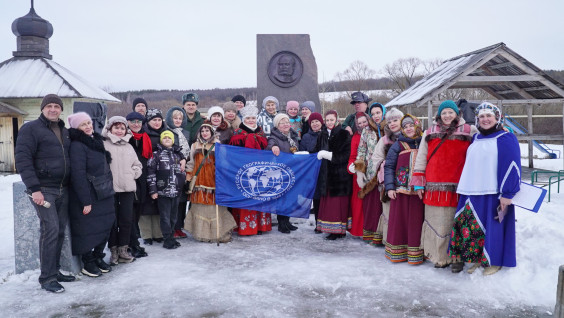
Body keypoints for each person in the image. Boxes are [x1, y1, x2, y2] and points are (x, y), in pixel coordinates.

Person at [449, 102, 521, 275]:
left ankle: (494, 261)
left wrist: (507, 193)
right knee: (473, 226)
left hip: (492, 192)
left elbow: (512, 166)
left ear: (497, 118)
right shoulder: (476, 138)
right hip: (470, 190)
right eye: (481, 116)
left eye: (489, 115)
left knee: (492, 227)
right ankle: (478, 259)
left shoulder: (506, 138)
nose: (485, 119)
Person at [15, 94, 75, 293]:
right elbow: (23, 159)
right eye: (48, 106)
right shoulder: (31, 129)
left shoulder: (64, 131)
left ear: (61, 110)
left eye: (56, 106)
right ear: (42, 109)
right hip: (44, 189)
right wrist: (35, 189)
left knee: (58, 231)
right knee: (50, 230)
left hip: (63, 188)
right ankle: (47, 278)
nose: (52, 109)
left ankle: (54, 270)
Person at [410, 100, 477, 268]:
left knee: (456, 223)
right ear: (439, 115)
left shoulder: (470, 130)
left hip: (459, 186)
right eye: (444, 113)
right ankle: (439, 257)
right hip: (433, 187)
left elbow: (486, 141)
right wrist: (419, 182)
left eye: (450, 112)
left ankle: (456, 258)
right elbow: (421, 158)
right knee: (437, 223)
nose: (447, 116)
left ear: (457, 113)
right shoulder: (430, 132)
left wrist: (505, 130)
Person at [67, 112, 115, 277]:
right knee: (89, 228)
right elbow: (78, 175)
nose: (88, 126)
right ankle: (88, 261)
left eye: (89, 123)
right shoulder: (77, 145)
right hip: (89, 193)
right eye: (83, 124)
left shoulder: (95, 140)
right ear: (76, 128)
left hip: (104, 191)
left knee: (105, 225)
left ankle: (98, 256)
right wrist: (85, 200)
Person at [184, 124, 237, 242]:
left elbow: (224, 163)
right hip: (198, 183)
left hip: (213, 182)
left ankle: (217, 234)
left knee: (215, 210)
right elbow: (191, 163)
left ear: (211, 132)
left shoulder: (218, 145)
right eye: (202, 131)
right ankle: (203, 234)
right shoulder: (194, 145)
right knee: (200, 209)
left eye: (207, 130)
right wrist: (188, 177)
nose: (204, 133)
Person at [384, 114, 424, 265]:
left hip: (419, 191)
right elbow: (389, 166)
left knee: (416, 221)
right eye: (405, 126)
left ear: (417, 125)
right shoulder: (398, 145)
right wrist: (390, 187)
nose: (408, 129)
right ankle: (398, 253)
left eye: (411, 125)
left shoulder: (424, 143)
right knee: (400, 221)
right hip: (400, 191)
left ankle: (416, 253)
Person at [103, 116, 143, 265]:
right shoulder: (104, 145)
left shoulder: (128, 146)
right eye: (116, 127)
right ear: (110, 129)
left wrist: (133, 173)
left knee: (126, 219)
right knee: (112, 221)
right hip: (110, 189)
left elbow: (137, 165)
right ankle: (113, 250)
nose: (119, 131)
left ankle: (123, 249)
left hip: (127, 188)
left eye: (122, 128)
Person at [228, 105, 272, 235]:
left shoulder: (260, 132)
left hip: (261, 171)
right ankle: (246, 226)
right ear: (244, 119)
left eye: (253, 118)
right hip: (244, 171)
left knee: (260, 196)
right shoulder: (238, 133)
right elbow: (233, 153)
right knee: (246, 197)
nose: (251, 120)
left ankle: (260, 226)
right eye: (248, 118)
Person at [367, 107, 404, 246]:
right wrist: (386, 165)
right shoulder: (384, 140)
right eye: (390, 121)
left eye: (396, 120)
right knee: (389, 212)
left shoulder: (412, 137)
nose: (393, 123)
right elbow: (376, 159)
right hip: (388, 181)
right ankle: (390, 241)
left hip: (406, 184)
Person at [352, 102, 387, 244]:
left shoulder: (389, 127)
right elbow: (361, 150)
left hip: (387, 171)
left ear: (383, 112)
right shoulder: (367, 130)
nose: (376, 116)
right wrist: (360, 171)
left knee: (384, 205)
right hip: (371, 172)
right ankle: (372, 235)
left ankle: (385, 235)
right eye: (373, 114)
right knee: (372, 205)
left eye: (378, 113)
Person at [314, 110, 352, 240]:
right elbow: (316, 151)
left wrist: (330, 156)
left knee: (338, 205)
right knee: (330, 205)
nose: (329, 122)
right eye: (327, 120)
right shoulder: (322, 135)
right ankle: (332, 230)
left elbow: (346, 155)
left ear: (337, 120)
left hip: (340, 176)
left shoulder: (344, 134)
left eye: (332, 120)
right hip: (326, 175)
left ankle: (339, 231)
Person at [147, 131, 186, 249]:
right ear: (161, 140)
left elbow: (183, 171)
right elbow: (150, 173)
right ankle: (167, 239)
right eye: (165, 137)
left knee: (174, 216)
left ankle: (172, 236)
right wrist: (153, 190)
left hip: (176, 191)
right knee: (165, 216)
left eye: (170, 137)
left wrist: (182, 183)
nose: (167, 139)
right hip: (162, 191)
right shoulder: (156, 155)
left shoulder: (178, 155)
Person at [267, 113, 300, 234]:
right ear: (277, 125)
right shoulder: (274, 137)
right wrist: (273, 147)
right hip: (280, 172)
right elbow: (270, 144)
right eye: (282, 122)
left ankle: (287, 221)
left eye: (287, 122)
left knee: (291, 197)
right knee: (282, 198)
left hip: (293, 170)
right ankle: (282, 223)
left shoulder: (293, 136)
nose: (286, 124)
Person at [139, 109, 167, 245]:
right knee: (146, 204)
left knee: (158, 204)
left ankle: (157, 233)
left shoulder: (166, 134)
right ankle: (146, 234)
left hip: (162, 172)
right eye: (153, 120)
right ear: (148, 121)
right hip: (145, 171)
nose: (157, 122)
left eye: (159, 120)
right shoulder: (142, 134)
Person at [126, 111, 151, 257]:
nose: (136, 124)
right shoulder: (125, 138)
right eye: (133, 121)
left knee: (138, 211)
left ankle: (133, 242)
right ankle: (131, 244)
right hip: (128, 179)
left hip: (142, 178)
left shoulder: (144, 138)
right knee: (129, 214)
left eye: (139, 122)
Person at [165, 106, 191, 239]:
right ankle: (172, 227)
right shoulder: (167, 131)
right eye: (175, 118)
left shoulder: (185, 133)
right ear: (170, 118)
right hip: (171, 168)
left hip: (184, 167)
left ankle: (179, 226)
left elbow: (189, 150)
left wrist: (185, 161)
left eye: (180, 118)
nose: (178, 120)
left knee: (182, 199)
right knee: (173, 200)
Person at [346, 112, 370, 238]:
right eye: (359, 123)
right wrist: (351, 166)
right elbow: (352, 156)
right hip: (359, 172)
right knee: (359, 203)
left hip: (373, 172)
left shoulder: (374, 133)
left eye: (364, 122)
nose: (362, 125)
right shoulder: (355, 137)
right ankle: (359, 230)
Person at [299, 112, 324, 231]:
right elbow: (302, 152)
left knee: (327, 198)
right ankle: (318, 223)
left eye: (317, 121)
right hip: (313, 171)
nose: (315, 124)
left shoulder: (326, 134)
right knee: (317, 197)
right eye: (312, 122)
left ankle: (328, 223)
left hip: (326, 170)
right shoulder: (306, 137)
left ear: (321, 122)